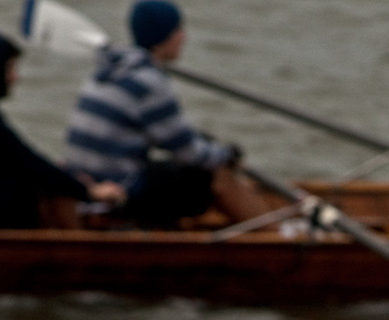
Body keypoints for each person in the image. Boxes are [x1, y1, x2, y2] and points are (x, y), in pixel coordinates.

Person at [64, 0, 268, 228]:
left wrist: (213, 149)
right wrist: (229, 155)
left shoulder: (108, 69)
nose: (183, 37)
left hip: (88, 180)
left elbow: (175, 138)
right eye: (178, 30)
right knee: (216, 172)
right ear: (166, 37)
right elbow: (190, 154)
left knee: (199, 156)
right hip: (118, 190)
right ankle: (277, 236)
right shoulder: (150, 81)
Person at [0, 33, 125, 229]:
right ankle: (73, 254)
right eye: (9, 68)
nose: (15, 78)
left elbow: (22, 159)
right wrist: (89, 192)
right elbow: (28, 162)